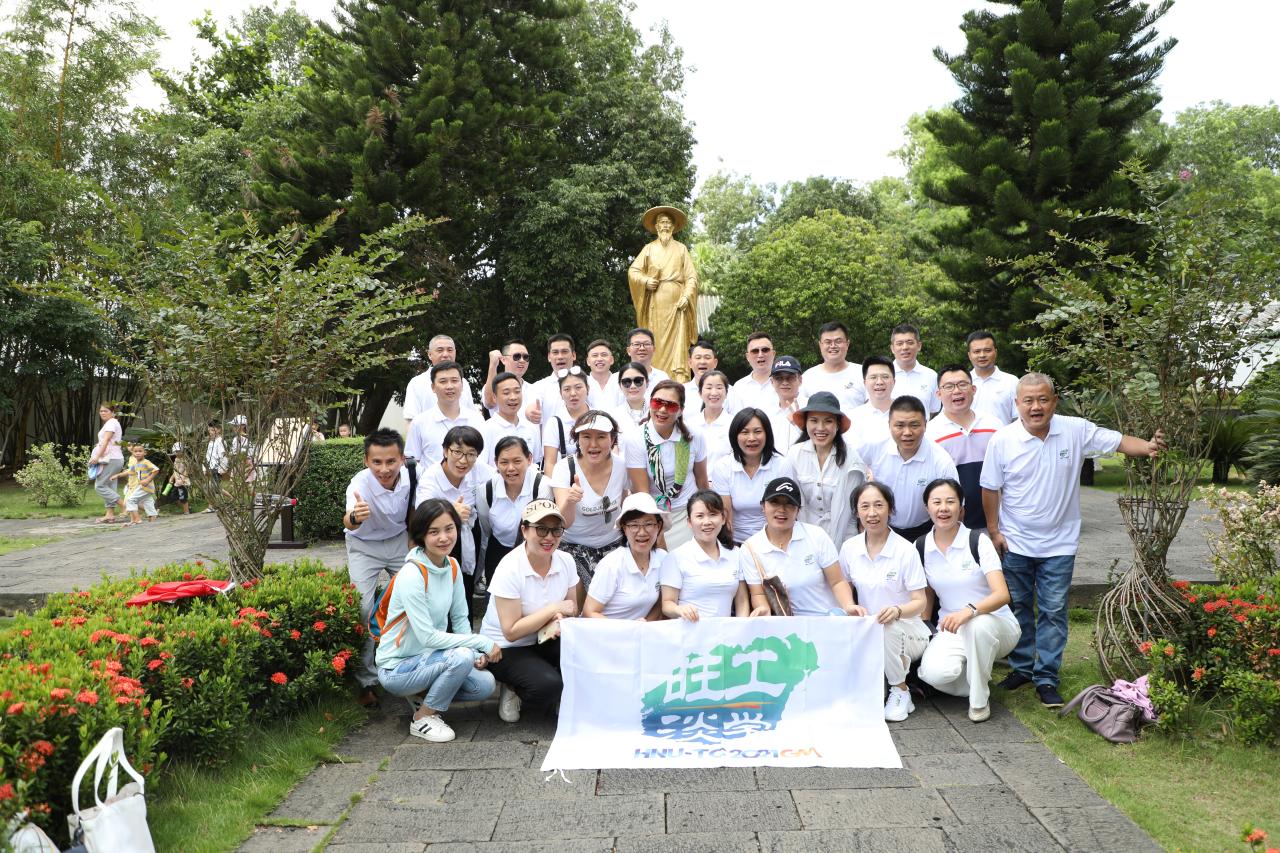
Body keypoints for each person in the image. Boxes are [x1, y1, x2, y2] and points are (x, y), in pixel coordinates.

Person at [981, 372, 1165, 708]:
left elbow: (1118, 441)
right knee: (1019, 606)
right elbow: (990, 488)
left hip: (1060, 544)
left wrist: (1148, 446)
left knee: (1053, 610)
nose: (1036, 407)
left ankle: (1046, 677)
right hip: (1015, 542)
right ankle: (1022, 668)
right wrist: (994, 531)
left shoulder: (1075, 430)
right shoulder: (1002, 440)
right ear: (1017, 404)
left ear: (1054, 401)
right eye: (1028, 401)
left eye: (1043, 399)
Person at [375, 498, 499, 742]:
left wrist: (475, 654)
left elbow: (460, 619)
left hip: (432, 660)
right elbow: (427, 637)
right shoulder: (412, 574)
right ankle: (423, 717)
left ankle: (422, 695)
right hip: (397, 668)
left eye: (449, 528)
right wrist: (481, 643)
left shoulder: (451, 565)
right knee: (461, 656)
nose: (444, 538)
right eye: (434, 532)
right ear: (421, 536)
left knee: (484, 684)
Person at [915, 478, 1019, 722]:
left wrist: (970, 611)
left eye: (950, 502)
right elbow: (927, 594)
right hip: (951, 628)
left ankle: (979, 701)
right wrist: (923, 627)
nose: (943, 508)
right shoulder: (920, 546)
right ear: (927, 508)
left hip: (995, 624)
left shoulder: (977, 541)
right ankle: (977, 677)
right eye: (936, 502)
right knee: (932, 675)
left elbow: (1002, 595)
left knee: (976, 625)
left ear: (961, 508)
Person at [479, 499, 579, 723]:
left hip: (543, 637)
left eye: (556, 530)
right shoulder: (510, 567)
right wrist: (553, 609)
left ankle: (564, 692)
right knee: (547, 687)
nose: (549, 537)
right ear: (524, 530)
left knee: (581, 649)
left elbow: (571, 608)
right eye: (541, 529)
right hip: (506, 648)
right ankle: (513, 686)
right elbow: (511, 631)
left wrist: (559, 618)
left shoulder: (566, 561)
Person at [839, 481, 930, 722]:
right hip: (869, 630)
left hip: (909, 630)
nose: (872, 513)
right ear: (856, 511)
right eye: (865, 506)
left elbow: (920, 601)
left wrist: (897, 611)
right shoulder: (849, 548)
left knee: (887, 627)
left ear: (890, 509)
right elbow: (843, 584)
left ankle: (900, 690)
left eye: (879, 505)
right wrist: (849, 606)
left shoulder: (905, 550)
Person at [344, 428, 416, 706]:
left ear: (402, 459)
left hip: (399, 542)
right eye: (376, 462)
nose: (384, 469)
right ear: (366, 460)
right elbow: (348, 521)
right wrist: (355, 516)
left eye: (390, 461)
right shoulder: (358, 484)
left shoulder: (413, 475)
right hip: (364, 546)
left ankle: (411, 668)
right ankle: (366, 681)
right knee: (363, 608)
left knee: (415, 600)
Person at [738, 477, 860, 617]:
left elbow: (837, 581)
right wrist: (763, 608)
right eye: (774, 502)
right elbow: (758, 593)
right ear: (763, 506)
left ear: (798, 510)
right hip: (786, 625)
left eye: (789, 504)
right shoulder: (750, 548)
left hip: (827, 619)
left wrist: (848, 605)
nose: (781, 510)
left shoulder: (816, 535)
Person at [552, 411, 629, 606]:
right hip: (573, 547)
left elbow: (627, 506)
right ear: (577, 439)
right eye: (586, 437)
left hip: (613, 545)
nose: (593, 444)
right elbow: (564, 523)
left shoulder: (622, 467)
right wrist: (570, 501)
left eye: (601, 437)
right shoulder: (564, 468)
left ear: (613, 439)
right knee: (576, 604)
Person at [622, 379, 709, 548]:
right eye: (657, 402)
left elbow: (702, 481)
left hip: (688, 511)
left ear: (680, 410)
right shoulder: (635, 439)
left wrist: (706, 514)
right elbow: (642, 493)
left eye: (671, 405)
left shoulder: (694, 435)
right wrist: (656, 528)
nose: (662, 410)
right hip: (655, 514)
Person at [415, 425, 492, 606]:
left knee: (465, 590)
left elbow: (502, 480)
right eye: (457, 452)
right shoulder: (431, 477)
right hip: (440, 538)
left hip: (469, 534)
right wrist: (450, 512)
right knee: (441, 591)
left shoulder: (481, 470)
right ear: (445, 451)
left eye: (471, 454)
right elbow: (421, 513)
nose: (463, 460)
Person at [862, 397, 959, 541]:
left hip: (925, 531)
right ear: (889, 425)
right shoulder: (875, 447)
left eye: (914, 425)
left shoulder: (941, 460)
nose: (907, 432)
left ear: (925, 424)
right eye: (899, 425)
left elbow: (956, 507)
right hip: (882, 528)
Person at [660, 490, 764, 620]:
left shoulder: (736, 553)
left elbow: (742, 600)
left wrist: (740, 627)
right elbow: (667, 604)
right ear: (689, 522)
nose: (707, 521)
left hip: (725, 632)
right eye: (700, 516)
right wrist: (679, 609)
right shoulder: (676, 556)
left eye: (713, 514)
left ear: (723, 518)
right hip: (689, 630)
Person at [926, 364, 1002, 530]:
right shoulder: (930, 434)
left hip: (998, 523)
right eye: (949, 386)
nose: (957, 391)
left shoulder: (994, 425)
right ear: (938, 394)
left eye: (962, 384)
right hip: (954, 526)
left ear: (973, 389)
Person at [787, 392, 869, 546]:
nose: (820, 428)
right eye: (814, 420)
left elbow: (844, 513)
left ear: (837, 425)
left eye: (828, 421)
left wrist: (832, 552)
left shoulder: (851, 460)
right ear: (806, 423)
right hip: (804, 536)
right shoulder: (794, 454)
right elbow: (796, 504)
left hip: (844, 539)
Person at [627, 206, 699, 381]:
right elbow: (633, 271)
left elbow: (692, 277)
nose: (665, 226)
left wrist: (686, 296)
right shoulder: (649, 249)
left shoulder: (681, 249)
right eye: (662, 222)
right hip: (656, 305)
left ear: (673, 227)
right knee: (656, 341)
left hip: (677, 304)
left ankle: (678, 378)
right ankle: (655, 378)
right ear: (657, 226)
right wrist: (646, 281)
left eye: (668, 223)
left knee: (678, 343)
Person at [712, 408, 795, 544]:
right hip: (737, 540)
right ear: (735, 436)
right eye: (745, 432)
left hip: (772, 539)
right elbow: (726, 516)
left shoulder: (781, 465)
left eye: (757, 431)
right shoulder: (723, 467)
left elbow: (784, 510)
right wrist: (732, 548)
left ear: (767, 434)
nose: (751, 438)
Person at [477, 437, 553, 585]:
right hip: (498, 550)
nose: (510, 468)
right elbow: (486, 527)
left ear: (529, 459)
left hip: (534, 550)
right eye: (504, 462)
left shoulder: (542, 486)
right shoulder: (486, 491)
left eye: (517, 461)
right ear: (496, 463)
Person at [583, 493, 667, 620]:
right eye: (634, 525)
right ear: (624, 528)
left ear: (658, 526)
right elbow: (589, 612)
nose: (642, 532)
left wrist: (645, 626)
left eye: (648, 524)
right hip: (607, 631)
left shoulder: (663, 558)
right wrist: (627, 629)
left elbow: (661, 603)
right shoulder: (611, 565)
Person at [405, 361, 485, 466]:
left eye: (454, 381)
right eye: (443, 381)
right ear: (433, 387)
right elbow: (412, 462)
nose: (449, 386)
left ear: (462, 385)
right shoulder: (420, 422)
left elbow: (484, 459)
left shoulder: (477, 420)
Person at [403, 334, 479, 425]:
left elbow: (471, 415)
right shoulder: (416, 383)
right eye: (440, 350)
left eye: (450, 350)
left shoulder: (464, 382)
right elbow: (410, 420)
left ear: (455, 353)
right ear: (430, 354)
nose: (445, 355)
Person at [801, 322, 866, 415]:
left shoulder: (863, 373)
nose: (833, 346)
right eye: (828, 342)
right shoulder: (808, 377)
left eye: (838, 341)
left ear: (847, 344)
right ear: (820, 345)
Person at [480, 372, 542, 466]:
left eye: (517, 391)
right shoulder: (485, 429)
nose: (513, 397)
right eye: (506, 393)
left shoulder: (531, 428)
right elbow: (481, 467)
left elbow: (535, 463)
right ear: (495, 397)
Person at [541, 367, 591, 475]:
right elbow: (550, 463)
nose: (573, 393)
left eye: (578, 387)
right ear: (560, 393)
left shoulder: (599, 418)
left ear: (588, 388)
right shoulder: (554, 423)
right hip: (565, 481)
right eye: (567, 389)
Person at [847, 355, 895, 457]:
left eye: (885, 377)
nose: (879, 382)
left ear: (894, 382)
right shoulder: (853, 417)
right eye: (873, 377)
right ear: (865, 383)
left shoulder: (906, 414)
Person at [966, 331, 1018, 424]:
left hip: (1003, 433)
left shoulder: (1011, 382)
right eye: (977, 351)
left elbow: (1019, 418)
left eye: (987, 350)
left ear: (995, 352)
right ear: (969, 355)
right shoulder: (961, 383)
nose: (982, 355)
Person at [482, 339, 539, 422]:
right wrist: (493, 365)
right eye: (517, 356)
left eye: (526, 357)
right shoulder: (493, 387)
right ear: (503, 359)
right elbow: (489, 403)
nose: (522, 360)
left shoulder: (535, 389)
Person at [889, 323, 940, 416]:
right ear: (892, 348)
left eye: (910, 342)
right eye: (899, 344)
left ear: (919, 346)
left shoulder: (931, 376)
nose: (905, 347)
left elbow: (933, 410)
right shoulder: (882, 376)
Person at [526, 334, 578, 423]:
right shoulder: (538, 387)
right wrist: (530, 413)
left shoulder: (589, 383)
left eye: (564, 351)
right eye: (555, 352)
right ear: (549, 357)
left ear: (573, 355)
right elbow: (531, 406)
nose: (560, 357)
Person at [691, 369, 734, 473]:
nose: (714, 393)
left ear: (726, 393)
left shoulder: (734, 424)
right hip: (695, 482)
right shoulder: (690, 425)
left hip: (724, 482)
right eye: (709, 387)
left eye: (719, 387)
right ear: (700, 393)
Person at [89, 403, 125, 524]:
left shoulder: (111, 423)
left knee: (100, 486)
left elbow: (106, 441)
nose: (103, 413)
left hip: (111, 459)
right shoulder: (112, 423)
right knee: (110, 486)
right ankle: (109, 515)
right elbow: (107, 442)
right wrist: (98, 446)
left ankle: (124, 506)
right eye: (101, 411)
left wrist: (97, 457)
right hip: (114, 458)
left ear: (112, 412)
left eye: (106, 411)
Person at [110, 443, 159, 526]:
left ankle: (137, 519)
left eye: (140, 451)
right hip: (144, 488)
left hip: (146, 487)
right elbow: (129, 472)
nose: (138, 453)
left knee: (130, 500)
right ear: (133, 453)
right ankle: (152, 520)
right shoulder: (136, 463)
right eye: (135, 451)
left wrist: (147, 480)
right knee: (148, 502)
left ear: (145, 453)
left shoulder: (146, 462)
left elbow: (156, 470)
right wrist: (118, 475)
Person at [682, 340, 736, 415]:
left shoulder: (730, 392)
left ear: (715, 363)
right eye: (698, 358)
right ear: (690, 363)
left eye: (707, 358)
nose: (702, 362)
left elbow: (738, 419)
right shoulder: (682, 391)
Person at [766, 355, 805, 453]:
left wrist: (801, 427)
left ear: (800, 380)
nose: (785, 382)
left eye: (790, 378)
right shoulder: (766, 411)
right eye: (779, 378)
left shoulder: (811, 407)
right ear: (772, 382)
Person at [732, 332, 778, 410]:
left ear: (773, 354)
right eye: (755, 351)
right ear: (747, 357)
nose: (760, 355)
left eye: (765, 350)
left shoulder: (786, 384)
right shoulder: (738, 387)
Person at [608, 362, 650, 432]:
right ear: (620, 385)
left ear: (647, 382)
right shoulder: (613, 416)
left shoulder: (657, 412)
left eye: (638, 381)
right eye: (626, 382)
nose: (633, 386)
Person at [584, 339, 622, 409]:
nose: (599, 359)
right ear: (588, 361)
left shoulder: (622, 380)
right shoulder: (582, 383)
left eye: (604, 355)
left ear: (612, 360)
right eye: (595, 355)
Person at [202, 419, 228, 512]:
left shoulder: (221, 441)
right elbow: (207, 456)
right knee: (211, 487)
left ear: (219, 429)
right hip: (210, 467)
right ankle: (213, 505)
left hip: (217, 468)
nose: (211, 432)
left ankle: (214, 505)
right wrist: (205, 467)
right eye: (209, 430)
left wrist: (223, 468)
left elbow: (223, 455)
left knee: (212, 487)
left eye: (213, 430)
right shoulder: (211, 442)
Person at [168, 443, 191, 514]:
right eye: (176, 451)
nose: (177, 453)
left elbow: (187, 470)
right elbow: (175, 470)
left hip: (183, 482)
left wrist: (183, 478)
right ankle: (188, 508)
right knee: (173, 496)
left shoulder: (185, 460)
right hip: (177, 482)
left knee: (182, 496)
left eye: (179, 451)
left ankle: (186, 511)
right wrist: (172, 477)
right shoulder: (176, 459)